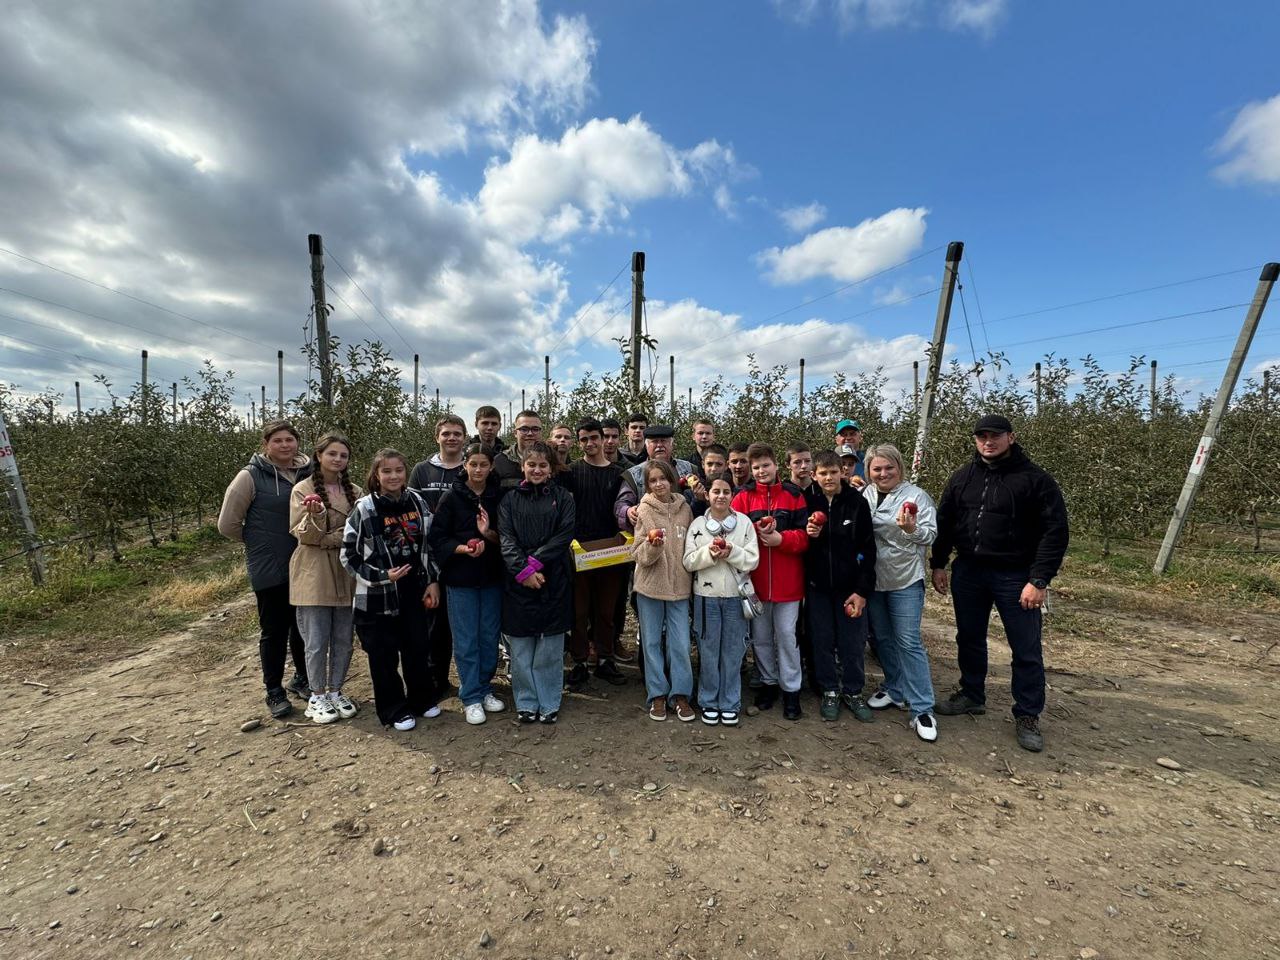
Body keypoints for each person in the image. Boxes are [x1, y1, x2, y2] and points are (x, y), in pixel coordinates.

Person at [930, 415, 1069, 752]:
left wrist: (1039, 579)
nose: (988, 442)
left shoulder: (1035, 481)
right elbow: (945, 522)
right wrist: (938, 563)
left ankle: (1027, 714)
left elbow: (1055, 532)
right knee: (970, 637)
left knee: (1025, 648)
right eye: (981, 436)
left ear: (1011, 437)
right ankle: (972, 694)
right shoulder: (963, 478)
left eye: (995, 436)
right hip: (970, 571)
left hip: (1015, 575)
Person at [340, 448, 441, 731]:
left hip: (414, 590)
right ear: (376, 475)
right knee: (383, 656)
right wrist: (382, 576)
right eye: (387, 471)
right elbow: (348, 555)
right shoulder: (365, 509)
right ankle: (394, 709)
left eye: (398, 470)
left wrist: (432, 580)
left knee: (417, 648)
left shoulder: (418, 502)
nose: (393, 476)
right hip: (378, 596)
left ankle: (421, 699)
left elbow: (429, 545)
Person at [218, 419, 312, 718]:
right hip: (270, 565)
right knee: (273, 630)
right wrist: (259, 540)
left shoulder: (308, 473)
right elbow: (227, 524)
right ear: (266, 445)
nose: (285, 445)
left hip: (304, 563)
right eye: (278, 441)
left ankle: (302, 679)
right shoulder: (250, 477)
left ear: (297, 442)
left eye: (290, 440)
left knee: (302, 626)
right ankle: (273, 690)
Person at [861, 443, 940, 742]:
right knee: (882, 638)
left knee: (908, 641)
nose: (883, 473)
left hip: (905, 578)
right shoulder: (864, 494)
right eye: (877, 469)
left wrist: (911, 530)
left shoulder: (916, 496)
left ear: (900, 468)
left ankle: (922, 707)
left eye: (889, 467)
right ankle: (895, 688)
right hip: (873, 579)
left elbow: (930, 534)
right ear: (868, 471)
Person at [427, 443, 506, 725]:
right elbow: (437, 538)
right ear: (465, 466)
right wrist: (462, 549)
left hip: (492, 577)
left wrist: (489, 535)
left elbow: (506, 537)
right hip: (460, 579)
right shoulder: (451, 498)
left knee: (488, 636)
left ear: (491, 467)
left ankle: (485, 688)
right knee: (465, 639)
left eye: (484, 465)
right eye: (473, 464)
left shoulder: (498, 496)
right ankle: (470, 695)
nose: (478, 470)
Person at [731, 443, 810, 720]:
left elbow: (805, 537)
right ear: (751, 471)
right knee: (761, 637)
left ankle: (792, 689)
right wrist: (756, 530)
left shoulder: (793, 495)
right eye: (756, 468)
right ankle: (768, 683)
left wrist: (781, 540)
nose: (761, 471)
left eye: (766, 465)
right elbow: (734, 535)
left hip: (789, 582)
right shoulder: (742, 497)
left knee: (787, 637)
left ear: (776, 465)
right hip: (756, 583)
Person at [499, 442, 575, 724]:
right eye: (532, 465)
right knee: (520, 648)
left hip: (554, 578)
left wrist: (535, 564)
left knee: (550, 648)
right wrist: (522, 571)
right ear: (522, 467)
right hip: (518, 582)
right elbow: (506, 539)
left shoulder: (563, 497)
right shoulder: (508, 500)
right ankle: (527, 701)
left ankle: (549, 700)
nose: (537, 470)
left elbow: (564, 534)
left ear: (551, 469)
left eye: (543, 465)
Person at [289, 433, 362, 724]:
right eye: (332, 454)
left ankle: (336, 690)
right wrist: (319, 519)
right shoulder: (302, 491)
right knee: (316, 639)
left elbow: (357, 534)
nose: (338, 460)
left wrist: (328, 538)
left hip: (346, 571)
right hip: (314, 572)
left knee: (344, 638)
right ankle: (316, 694)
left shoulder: (355, 491)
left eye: (343, 455)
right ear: (319, 455)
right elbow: (305, 535)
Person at [803, 450, 877, 723]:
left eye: (834, 472)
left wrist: (862, 591)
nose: (829, 477)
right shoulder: (808, 502)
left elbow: (868, 549)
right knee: (821, 640)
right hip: (818, 586)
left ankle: (854, 691)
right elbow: (800, 543)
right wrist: (809, 536)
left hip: (850, 588)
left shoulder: (857, 503)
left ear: (843, 473)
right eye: (823, 473)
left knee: (853, 642)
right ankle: (830, 690)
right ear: (814, 475)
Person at [683, 476, 759, 725]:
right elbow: (689, 561)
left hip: (735, 597)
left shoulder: (744, 523)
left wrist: (732, 552)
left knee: (733, 651)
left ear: (732, 495)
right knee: (708, 649)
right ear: (708, 494)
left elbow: (752, 559)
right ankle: (708, 700)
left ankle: (730, 701)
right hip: (706, 598)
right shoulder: (697, 525)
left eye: (726, 491)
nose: (721, 496)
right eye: (716, 491)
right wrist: (710, 553)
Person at [631, 460, 695, 722]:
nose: (658, 484)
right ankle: (657, 693)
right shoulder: (644, 511)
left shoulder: (685, 509)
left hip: (680, 587)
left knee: (680, 643)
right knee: (652, 642)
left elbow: (692, 544)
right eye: (652, 481)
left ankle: (680, 694)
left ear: (672, 479)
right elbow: (637, 553)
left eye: (662, 479)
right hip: (650, 587)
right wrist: (653, 545)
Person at [409, 413, 469, 693]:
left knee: (453, 621)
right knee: (431, 619)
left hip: (461, 555)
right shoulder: (422, 470)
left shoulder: (470, 469)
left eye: (457, 433)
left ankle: (466, 677)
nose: (452, 438)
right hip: (426, 555)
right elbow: (411, 509)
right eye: (446, 433)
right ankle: (436, 678)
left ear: (465, 437)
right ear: (437, 437)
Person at [566, 419, 628, 688]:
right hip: (579, 551)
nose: (590, 443)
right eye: (583, 439)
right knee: (579, 611)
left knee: (606, 610)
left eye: (594, 437)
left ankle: (605, 659)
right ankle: (579, 662)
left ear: (604, 439)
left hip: (611, 551)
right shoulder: (572, 471)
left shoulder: (618, 474)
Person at [613, 425, 700, 533]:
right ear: (646, 445)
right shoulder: (634, 474)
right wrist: (628, 511)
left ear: (671, 444)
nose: (659, 445)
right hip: (652, 537)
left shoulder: (689, 469)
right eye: (654, 441)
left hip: (685, 533)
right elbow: (620, 504)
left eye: (664, 441)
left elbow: (701, 501)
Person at [494, 410, 546, 489]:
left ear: (541, 432)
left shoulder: (552, 460)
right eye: (524, 429)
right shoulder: (500, 462)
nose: (530, 433)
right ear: (515, 433)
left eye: (535, 429)